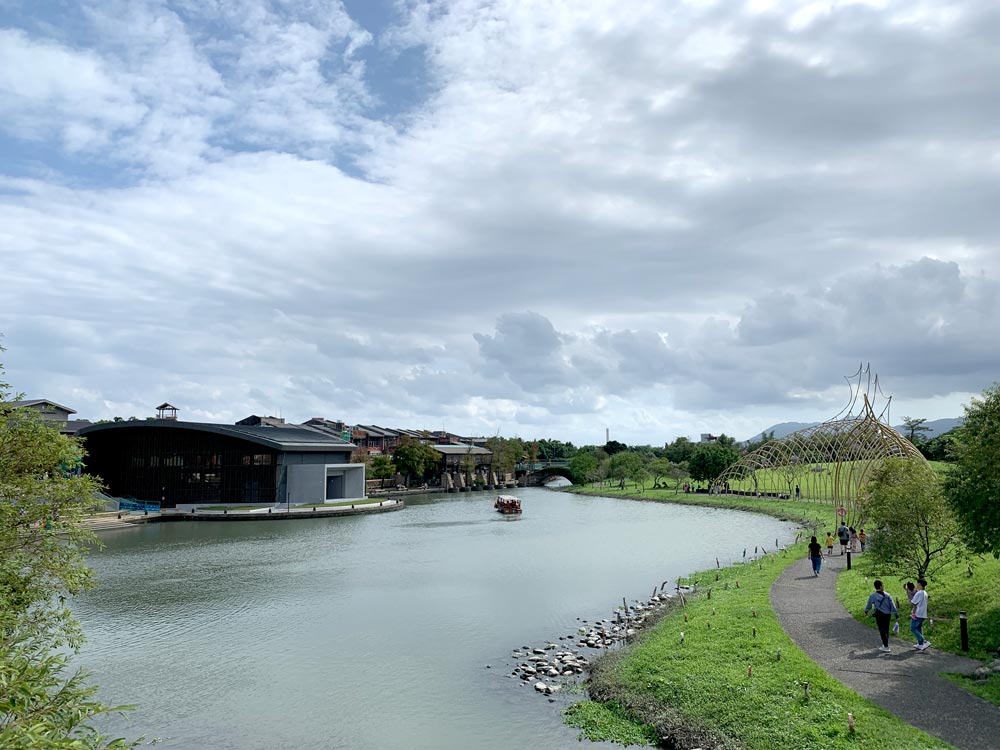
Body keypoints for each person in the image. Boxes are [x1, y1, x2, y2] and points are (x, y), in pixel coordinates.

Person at [864, 579, 899, 652]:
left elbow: (869, 605)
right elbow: (892, 605)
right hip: (887, 614)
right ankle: (886, 644)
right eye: (882, 585)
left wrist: (866, 611)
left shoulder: (873, 596)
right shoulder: (887, 595)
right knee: (886, 629)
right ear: (880, 586)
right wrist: (896, 614)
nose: (883, 586)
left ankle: (886, 646)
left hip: (879, 614)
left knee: (881, 629)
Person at [910, 578, 930, 650]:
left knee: (913, 628)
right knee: (918, 628)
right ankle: (920, 644)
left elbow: (913, 602)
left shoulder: (919, 593)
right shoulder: (925, 593)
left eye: (917, 583)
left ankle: (925, 641)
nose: (916, 585)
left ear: (919, 584)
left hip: (917, 613)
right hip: (923, 613)